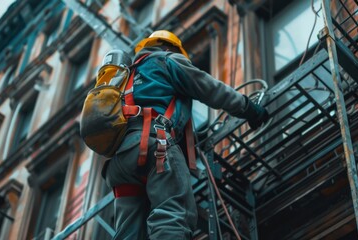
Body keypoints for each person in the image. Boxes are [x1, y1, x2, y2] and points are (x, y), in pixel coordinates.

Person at [103, 30, 269, 240]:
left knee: (128, 234)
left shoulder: (127, 76)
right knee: (173, 215)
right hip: (156, 147)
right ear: (169, 47)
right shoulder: (167, 59)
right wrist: (250, 109)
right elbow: (210, 88)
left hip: (120, 163)